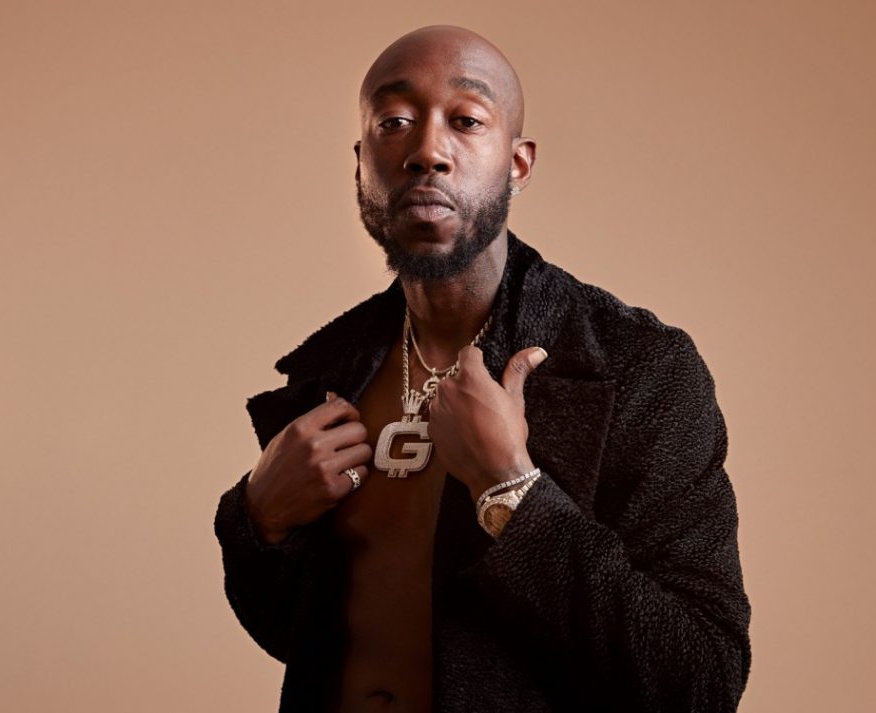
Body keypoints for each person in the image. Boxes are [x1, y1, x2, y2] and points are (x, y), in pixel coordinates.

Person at [214, 25, 751, 713]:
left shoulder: (637, 368)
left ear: (517, 165)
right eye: (394, 122)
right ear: (361, 163)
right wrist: (258, 520)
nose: (427, 151)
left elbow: (700, 680)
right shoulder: (332, 373)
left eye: (466, 121)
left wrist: (512, 493)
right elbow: (297, 633)